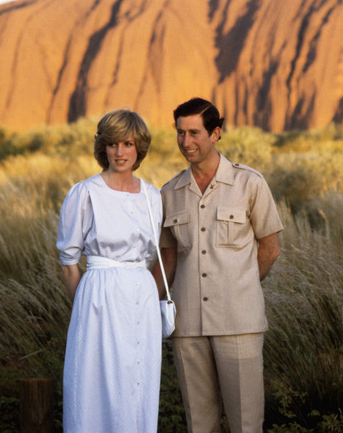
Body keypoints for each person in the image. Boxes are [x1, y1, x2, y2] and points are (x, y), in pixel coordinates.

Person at [155, 97, 283, 432]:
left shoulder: (250, 183)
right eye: (180, 133)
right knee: (199, 424)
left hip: (239, 321)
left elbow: (270, 249)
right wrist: (144, 302)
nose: (186, 142)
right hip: (187, 326)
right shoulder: (169, 192)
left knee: (245, 423)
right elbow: (167, 258)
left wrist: (241, 286)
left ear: (215, 133)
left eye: (194, 133)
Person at [56, 109, 163, 432]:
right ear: (102, 147)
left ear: (139, 148)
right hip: (98, 297)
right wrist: (84, 308)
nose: (120, 152)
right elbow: (69, 261)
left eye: (128, 144)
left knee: (138, 381)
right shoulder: (85, 193)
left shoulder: (152, 196)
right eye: (113, 143)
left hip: (142, 298)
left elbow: (153, 254)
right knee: (94, 381)